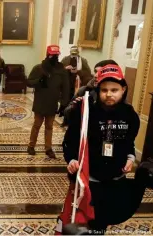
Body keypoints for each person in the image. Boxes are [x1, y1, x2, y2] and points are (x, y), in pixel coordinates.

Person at [63, 64, 140, 234]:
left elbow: (129, 142)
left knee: (103, 220)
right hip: (91, 180)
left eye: (114, 90)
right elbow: (70, 142)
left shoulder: (130, 115)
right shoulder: (86, 113)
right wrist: (72, 160)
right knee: (89, 220)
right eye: (104, 90)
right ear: (98, 90)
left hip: (115, 178)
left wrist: (130, 158)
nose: (109, 94)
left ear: (123, 89)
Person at [26, 45, 69, 158]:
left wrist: (64, 103)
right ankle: (31, 146)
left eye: (56, 55)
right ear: (47, 55)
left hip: (52, 102)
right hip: (40, 102)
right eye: (52, 55)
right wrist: (39, 80)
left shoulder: (61, 70)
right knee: (37, 125)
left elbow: (65, 87)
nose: (54, 57)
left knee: (49, 126)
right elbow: (29, 82)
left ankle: (48, 148)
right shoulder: (39, 68)